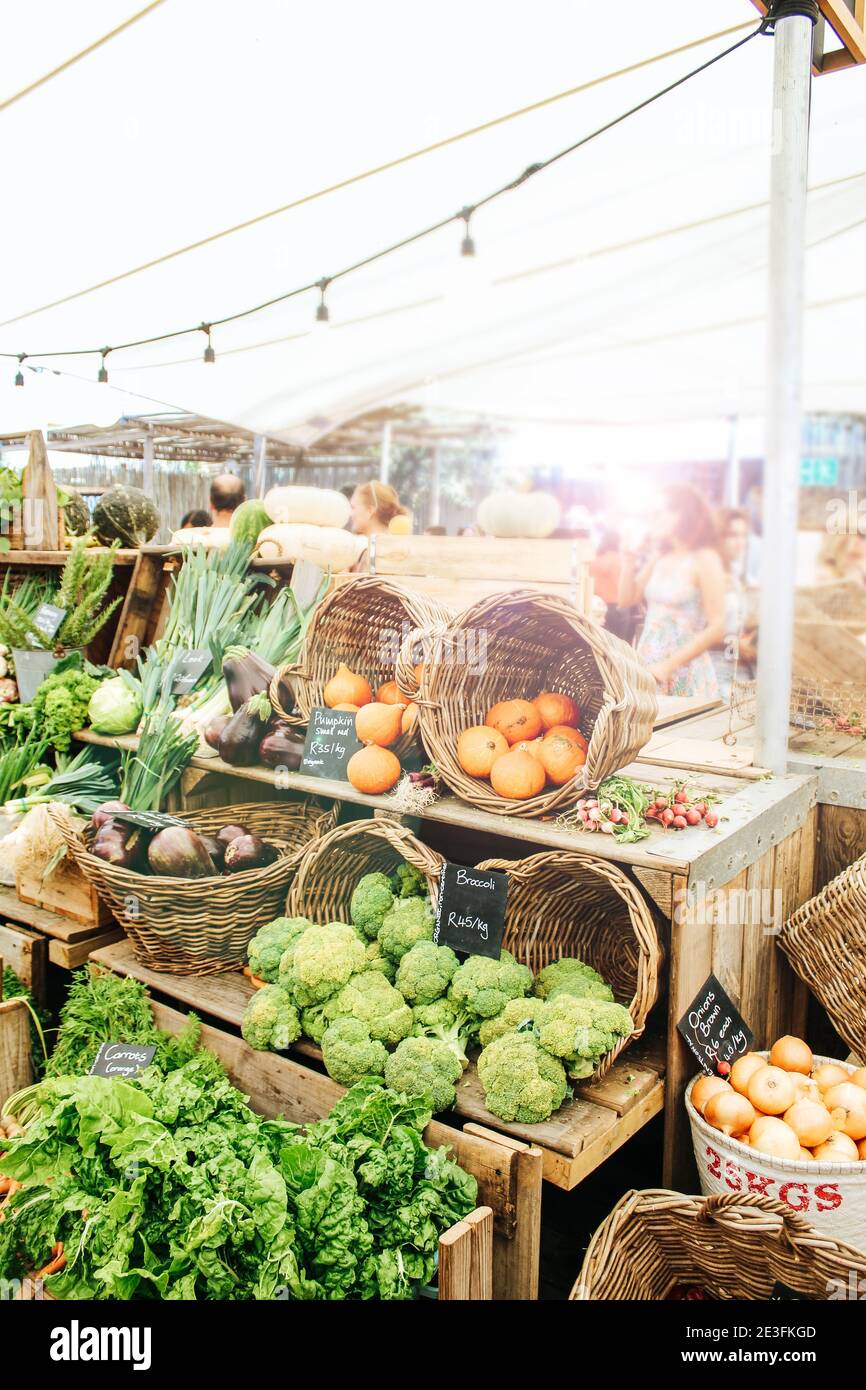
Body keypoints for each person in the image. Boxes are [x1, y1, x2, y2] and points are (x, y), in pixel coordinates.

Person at [619, 484, 726, 698]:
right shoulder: (660, 557)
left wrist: (669, 665)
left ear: (683, 515)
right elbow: (626, 599)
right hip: (649, 663)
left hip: (684, 667)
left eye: (658, 513)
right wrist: (628, 561)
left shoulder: (705, 559)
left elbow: (719, 625)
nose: (652, 519)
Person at [713, 507, 757, 695]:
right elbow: (693, 632)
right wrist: (734, 644)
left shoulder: (739, 577)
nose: (740, 542)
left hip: (744, 672)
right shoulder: (708, 576)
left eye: (743, 536)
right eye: (732, 535)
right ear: (717, 538)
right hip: (715, 671)